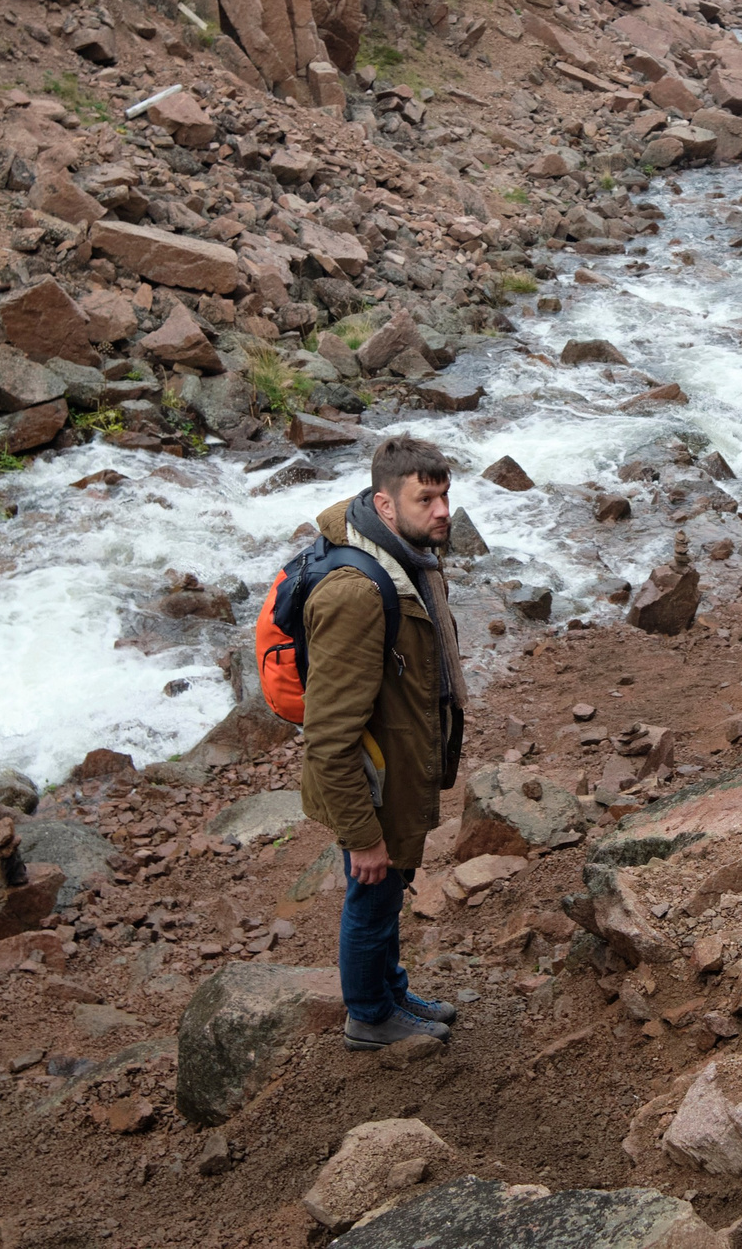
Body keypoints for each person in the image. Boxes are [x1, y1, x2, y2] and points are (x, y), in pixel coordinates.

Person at [297, 435, 468, 1049]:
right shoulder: (358, 593)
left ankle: (391, 990)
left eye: (445, 496)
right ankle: (369, 1016)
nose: (443, 511)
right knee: (371, 895)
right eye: (426, 500)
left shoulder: (409, 557)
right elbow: (327, 737)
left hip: (395, 761)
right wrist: (362, 835)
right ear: (384, 504)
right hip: (370, 782)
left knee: (389, 890)